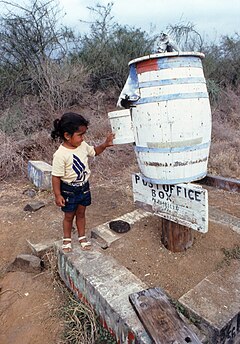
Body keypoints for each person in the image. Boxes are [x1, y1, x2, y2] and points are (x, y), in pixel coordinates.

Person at [51, 112, 115, 253]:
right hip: (68, 189)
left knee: (81, 213)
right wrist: (57, 195)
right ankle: (67, 239)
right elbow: (56, 176)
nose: (82, 138)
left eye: (83, 134)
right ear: (67, 136)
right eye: (80, 135)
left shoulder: (83, 145)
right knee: (69, 216)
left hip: (84, 187)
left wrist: (105, 145)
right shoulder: (60, 155)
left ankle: (82, 237)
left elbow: (94, 152)